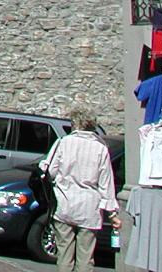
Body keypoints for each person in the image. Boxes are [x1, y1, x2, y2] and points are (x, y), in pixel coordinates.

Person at [39, 106, 120, 272]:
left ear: (75, 123)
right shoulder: (101, 148)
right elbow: (106, 183)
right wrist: (112, 214)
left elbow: (50, 172)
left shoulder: (63, 143)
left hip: (65, 203)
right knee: (85, 256)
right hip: (90, 208)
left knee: (64, 254)